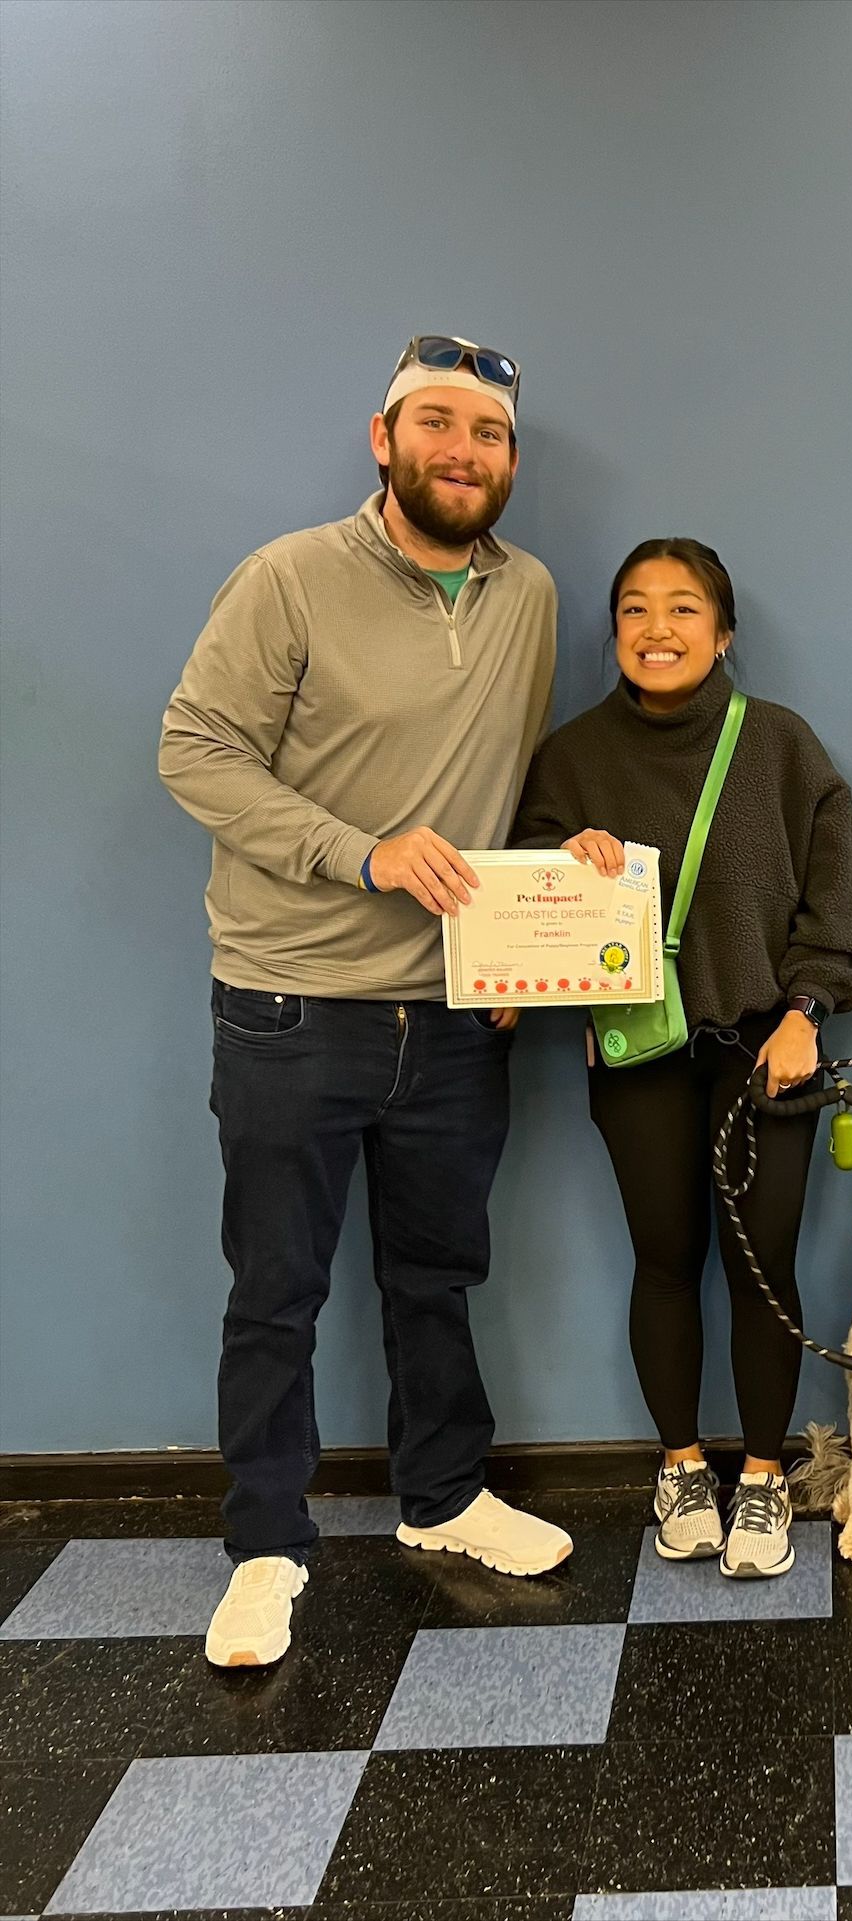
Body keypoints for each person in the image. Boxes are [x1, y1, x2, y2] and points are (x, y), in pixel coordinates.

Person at [159, 335, 571, 1669]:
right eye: (436, 423)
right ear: (383, 439)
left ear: (511, 460)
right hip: (291, 1005)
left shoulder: (530, 595)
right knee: (276, 1290)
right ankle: (266, 1544)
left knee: (437, 1276)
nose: (464, 449)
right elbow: (193, 750)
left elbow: (503, 784)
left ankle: (443, 1495)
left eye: (489, 433)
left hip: (452, 1015)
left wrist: (523, 944)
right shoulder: (289, 576)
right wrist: (363, 853)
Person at [512, 538, 852, 1578]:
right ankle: (680, 1465)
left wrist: (807, 1010)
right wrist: (561, 862)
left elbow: (840, 898)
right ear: (614, 632)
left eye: (683, 608)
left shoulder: (779, 745)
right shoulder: (572, 756)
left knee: (763, 1264)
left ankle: (762, 1475)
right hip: (636, 1050)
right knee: (664, 1259)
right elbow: (519, 896)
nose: (657, 628)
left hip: (767, 1050)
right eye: (635, 608)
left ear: (722, 633)